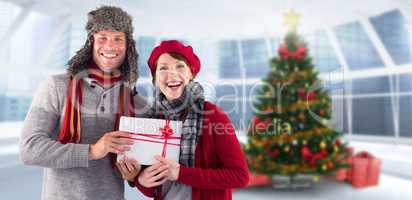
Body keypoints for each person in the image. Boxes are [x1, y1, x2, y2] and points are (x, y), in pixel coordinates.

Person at [19, 6, 149, 200]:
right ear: (91, 42)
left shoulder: (137, 102)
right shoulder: (56, 87)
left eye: (117, 39)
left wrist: (134, 175)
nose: (110, 46)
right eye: (102, 37)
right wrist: (92, 151)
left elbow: (141, 165)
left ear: (128, 45)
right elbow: (29, 149)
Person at [116, 40, 250, 200]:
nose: (171, 74)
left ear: (191, 73)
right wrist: (138, 179)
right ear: (155, 78)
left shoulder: (213, 116)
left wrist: (180, 173)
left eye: (179, 66)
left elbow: (240, 176)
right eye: (163, 68)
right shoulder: (153, 119)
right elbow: (157, 189)